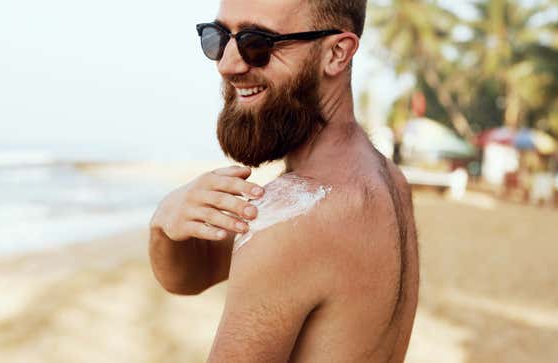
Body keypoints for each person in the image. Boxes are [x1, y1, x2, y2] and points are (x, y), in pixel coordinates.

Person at [149, 1, 419, 361]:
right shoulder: (389, 181)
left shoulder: (291, 223)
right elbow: (189, 277)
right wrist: (165, 222)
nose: (227, 64)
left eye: (256, 42)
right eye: (217, 38)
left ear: (337, 53)